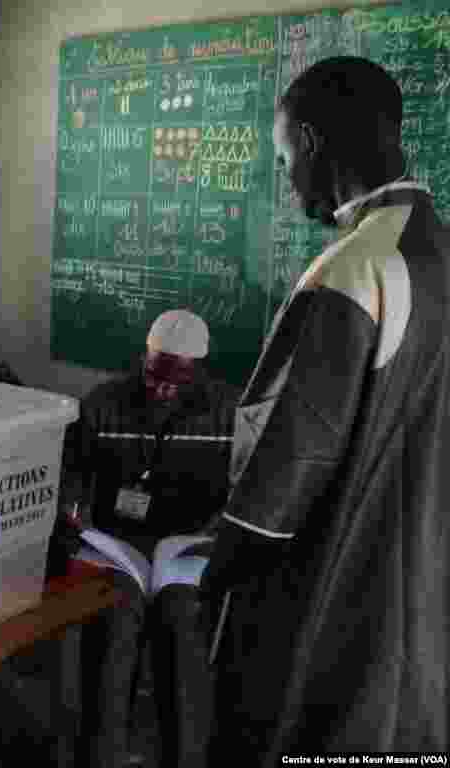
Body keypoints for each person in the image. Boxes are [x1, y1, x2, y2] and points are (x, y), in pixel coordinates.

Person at [201, 56, 449, 762]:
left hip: (336, 619)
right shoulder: (440, 253)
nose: (288, 182)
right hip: (425, 607)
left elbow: (280, 481)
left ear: (310, 142)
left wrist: (216, 573)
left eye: (285, 160)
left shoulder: (353, 268)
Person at [59, 309, 238, 768]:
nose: (162, 389)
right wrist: (73, 506)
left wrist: (220, 526)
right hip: (117, 544)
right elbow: (72, 468)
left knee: (182, 619)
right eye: (155, 376)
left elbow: (247, 486)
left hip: (188, 546)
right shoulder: (103, 403)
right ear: (144, 358)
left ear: (200, 371)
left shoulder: (229, 413)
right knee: (116, 618)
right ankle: (101, 756)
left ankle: (186, 757)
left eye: (178, 382)